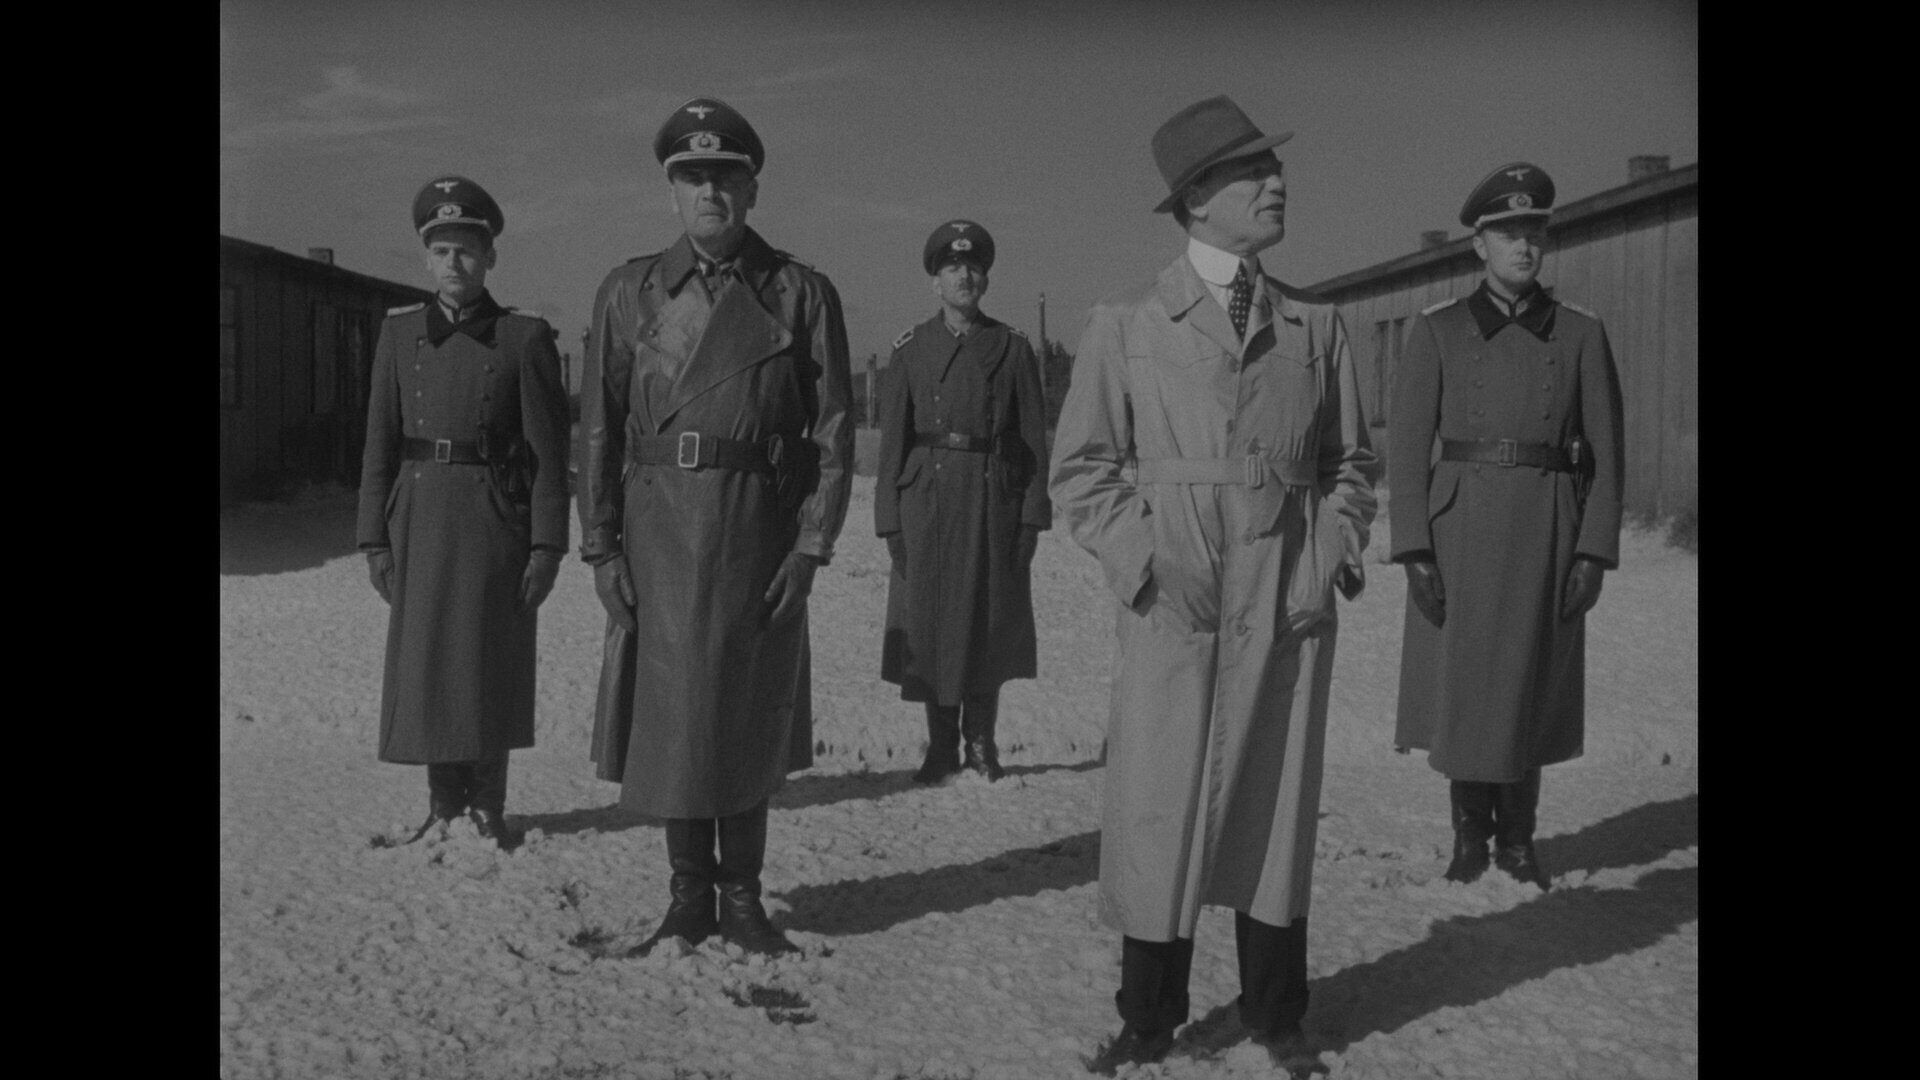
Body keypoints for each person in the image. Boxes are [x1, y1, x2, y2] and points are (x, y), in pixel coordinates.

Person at [1049, 96, 1378, 1075]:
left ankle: (1279, 1016)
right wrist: (1146, 563)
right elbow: (1081, 470)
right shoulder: (1126, 323)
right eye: (1252, 172)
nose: (1277, 183)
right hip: (1178, 596)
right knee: (1162, 806)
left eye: (1275, 168)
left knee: (1277, 807)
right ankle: (1149, 1019)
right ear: (1196, 199)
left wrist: (1328, 551)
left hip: (1284, 593)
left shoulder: (1316, 326)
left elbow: (1351, 463)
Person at [578, 97, 853, 957]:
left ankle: (743, 898)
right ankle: (687, 895)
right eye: (693, 178)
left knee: (741, 712)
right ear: (671, 191)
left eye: (726, 178)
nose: (711, 193)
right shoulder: (628, 292)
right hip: (659, 528)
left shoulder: (801, 293)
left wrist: (809, 547)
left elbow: (834, 432)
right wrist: (600, 546)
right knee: (676, 712)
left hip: (755, 532)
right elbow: (598, 428)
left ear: (752, 189)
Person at [1388, 163, 1624, 890]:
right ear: (1479, 246)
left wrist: (1593, 549)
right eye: (1508, 234)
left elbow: (1610, 452)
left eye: (1534, 233)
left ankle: (1519, 841)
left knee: (1531, 676)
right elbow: (1406, 451)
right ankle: (1469, 836)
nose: (1524, 247)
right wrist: (1414, 547)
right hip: (1460, 526)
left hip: (1547, 524)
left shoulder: (1580, 331)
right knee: (1466, 680)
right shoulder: (1438, 329)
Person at [355, 176, 570, 848]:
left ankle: (487, 804)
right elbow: (379, 444)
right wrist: (373, 540)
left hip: (493, 517)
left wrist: (546, 547)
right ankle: (444, 801)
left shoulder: (522, 338)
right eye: (443, 250)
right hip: (419, 516)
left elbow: (548, 455)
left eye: (468, 250)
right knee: (429, 661)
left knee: (487, 658)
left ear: (490, 257)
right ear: (426, 258)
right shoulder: (399, 336)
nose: (455, 263)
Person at [874, 220, 1050, 784]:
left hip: (992, 500)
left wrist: (1031, 518)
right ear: (936, 282)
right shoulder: (911, 349)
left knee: (988, 620)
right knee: (929, 622)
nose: (964, 277)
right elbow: (893, 445)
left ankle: (981, 743)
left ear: (986, 279)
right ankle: (940, 746)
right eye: (952, 268)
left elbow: (1033, 441)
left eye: (973, 268)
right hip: (926, 503)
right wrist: (890, 523)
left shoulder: (1013, 348)